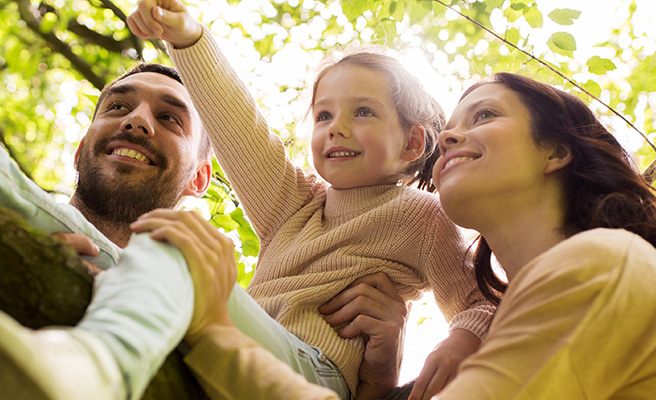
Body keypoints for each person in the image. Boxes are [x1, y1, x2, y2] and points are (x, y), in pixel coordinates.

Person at [0, 0, 408, 399]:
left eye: (172, 118)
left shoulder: (207, 324)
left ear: (200, 181)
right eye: (117, 107)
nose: (137, 121)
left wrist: (379, 379)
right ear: (83, 142)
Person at [169, 73, 656, 399]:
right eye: (454, 122)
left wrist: (209, 321)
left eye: (484, 115)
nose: (453, 133)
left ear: (556, 150)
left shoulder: (606, 265)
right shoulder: (538, 311)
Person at [126, 2, 497, 399]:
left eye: (364, 112)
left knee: (181, 260)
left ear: (412, 142)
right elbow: (237, 124)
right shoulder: (294, 202)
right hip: (231, 345)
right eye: (323, 116)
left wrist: (459, 341)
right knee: (137, 258)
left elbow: (483, 302)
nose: (337, 128)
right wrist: (188, 38)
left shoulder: (422, 215)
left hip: (311, 368)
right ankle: (96, 355)